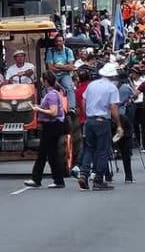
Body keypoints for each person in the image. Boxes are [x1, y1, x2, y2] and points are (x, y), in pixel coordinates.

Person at [76, 62, 123, 191]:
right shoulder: (112, 88)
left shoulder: (92, 85)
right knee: (102, 151)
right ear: (113, 76)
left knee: (89, 148)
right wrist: (118, 124)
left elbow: (83, 100)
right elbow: (113, 107)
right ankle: (98, 180)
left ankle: (83, 174)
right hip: (102, 121)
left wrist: (87, 115)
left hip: (90, 120)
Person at [24, 70, 67, 188]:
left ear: (46, 81)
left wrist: (38, 109)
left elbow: (53, 112)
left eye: (43, 80)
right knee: (51, 154)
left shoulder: (51, 94)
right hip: (52, 126)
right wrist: (39, 107)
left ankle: (37, 179)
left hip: (51, 126)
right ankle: (58, 180)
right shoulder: (53, 93)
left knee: (43, 153)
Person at [45, 35, 77, 109]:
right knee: (47, 89)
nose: (58, 43)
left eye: (60, 41)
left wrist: (57, 66)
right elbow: (50, 68)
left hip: (65, 75)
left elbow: (70, 67)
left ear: (63, 42)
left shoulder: (68, 51)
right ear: (54, 42)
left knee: (69, 87)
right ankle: (49, 107)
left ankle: (72, 108)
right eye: (57, 41)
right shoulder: (51, 51)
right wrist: (65, 67)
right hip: (54, 75)